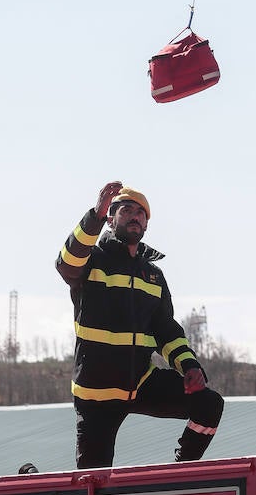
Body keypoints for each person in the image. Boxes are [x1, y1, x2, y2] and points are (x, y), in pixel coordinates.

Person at [56, 179, 224, 468]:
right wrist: (93, 216)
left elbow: (166, 331)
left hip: (141, 382)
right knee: (93, 483)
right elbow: (66, 263)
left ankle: (180, 472)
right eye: (127, 210)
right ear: (111, 218)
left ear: (146, 224)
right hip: (97, 393)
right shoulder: (91, 261)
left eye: (141, 213)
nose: (135, 216)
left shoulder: (153, 276)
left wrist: (190, 367)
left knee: (209, 404)